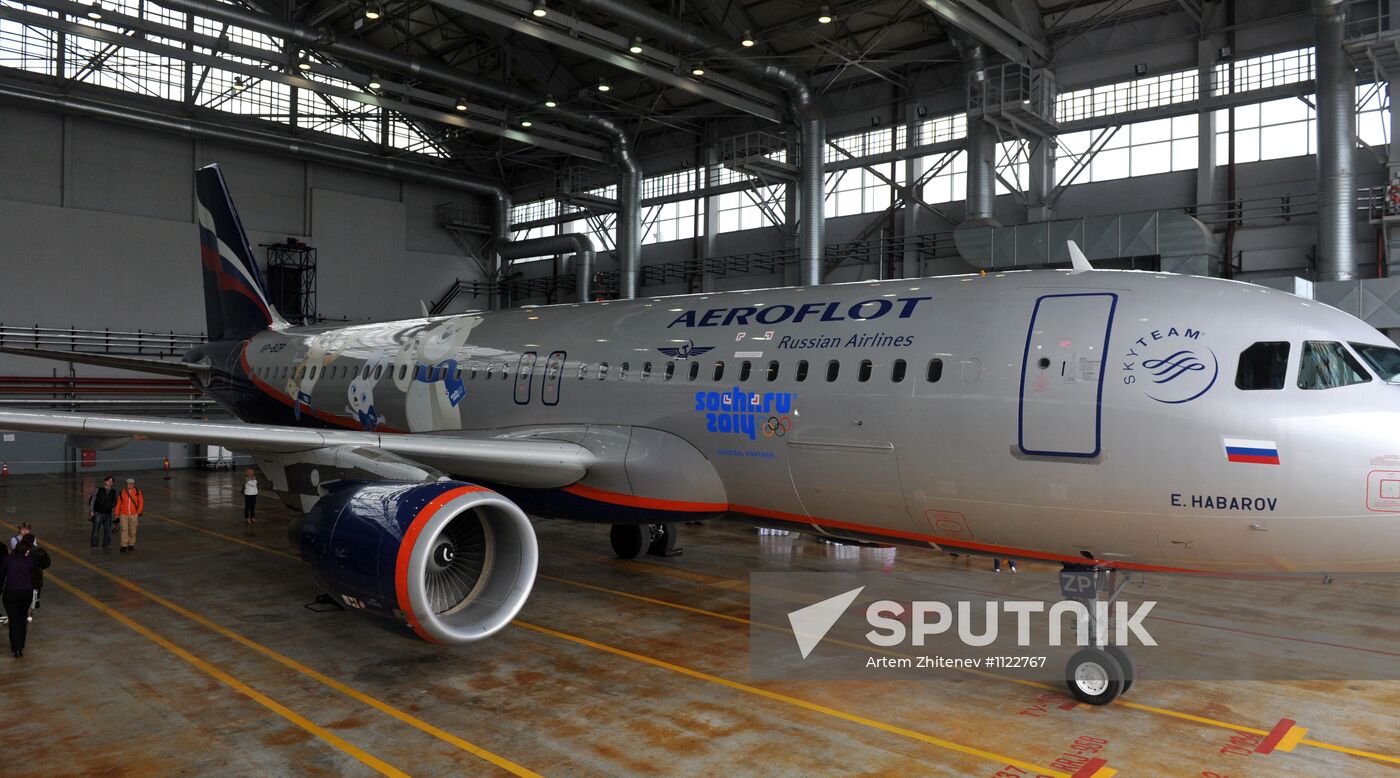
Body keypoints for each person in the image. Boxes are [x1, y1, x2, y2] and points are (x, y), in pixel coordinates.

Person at [1, 534, 39, 657]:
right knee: (22, 619)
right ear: (26, 551)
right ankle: (20, 645)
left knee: (14, 620)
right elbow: (35, 577)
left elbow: (1, 575)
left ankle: (16, 648)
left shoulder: (7, 560)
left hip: (10, 593)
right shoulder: (31, 561)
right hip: (26, 593)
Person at [116, 477, 145, 553]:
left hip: (134, 514)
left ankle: (131, 544)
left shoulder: (137, 492)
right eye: (128, 484)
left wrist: (138, 512)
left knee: (132, 530)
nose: (130, 485)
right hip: (123, 514)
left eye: (131, 484)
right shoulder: (122, 492)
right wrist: (117, 514)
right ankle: (124, 545)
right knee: (124, 530)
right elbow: (118, 503)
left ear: (133, 484)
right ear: (126, 484)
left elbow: (141, 502)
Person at [89, 475, 118, 550]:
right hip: (98, 513)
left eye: (111, 481)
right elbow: (92, 501)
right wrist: (91, 511)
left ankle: (106, 544)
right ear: (105, 481)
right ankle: (94, 545)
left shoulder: (114, 492)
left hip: (108, 514)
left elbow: (115, 503)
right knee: (96, 530)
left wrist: (111, 507)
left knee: (108, 530)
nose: (110, 482)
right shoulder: (98, 490)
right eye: (108, 481)